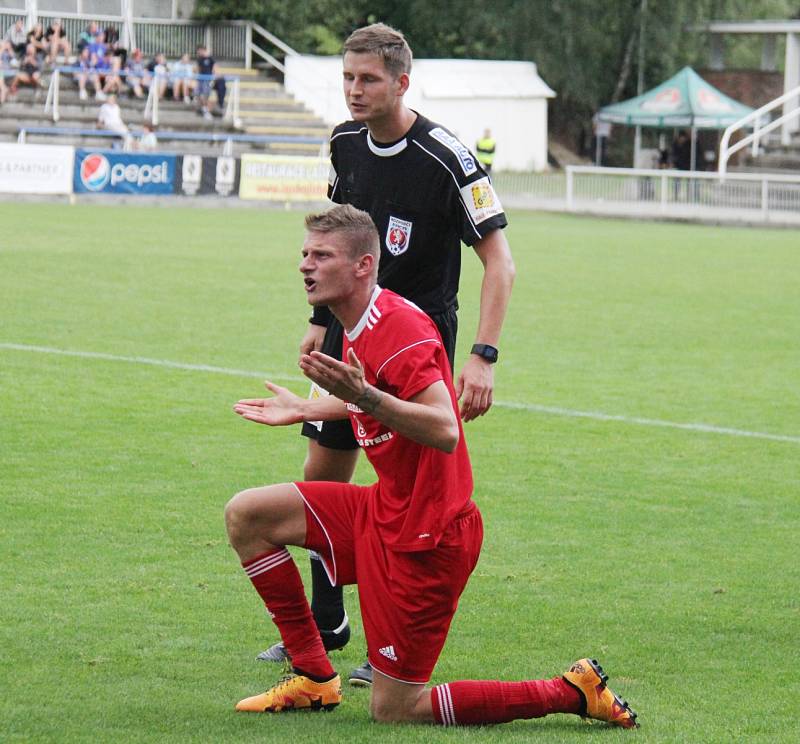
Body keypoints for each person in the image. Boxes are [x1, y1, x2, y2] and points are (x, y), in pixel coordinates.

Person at [227, 204, 638, 729]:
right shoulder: (358, 321)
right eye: (305, 254)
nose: (306, 265)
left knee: (395, 711)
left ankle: (571, 691)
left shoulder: (399, 327)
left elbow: (443, 428)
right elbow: (376, 395)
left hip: (429, 537)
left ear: (363, 265)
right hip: (385, 510)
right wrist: (310, 407)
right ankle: (313, 675)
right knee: (249, 516)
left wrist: (365, 397)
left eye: (321, 256)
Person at [257, 22, 515, 689]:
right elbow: (342, 233)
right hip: (350, 338)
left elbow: (500, 264)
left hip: (413, 350)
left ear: (402, 82)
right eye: (347, 78)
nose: (354, 90)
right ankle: (327, 622)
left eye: (369, 79)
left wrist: (482, 356)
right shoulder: (344, 141)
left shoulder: (447, 159)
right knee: (322, 477)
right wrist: (320, 320)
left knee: (406, 497)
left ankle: (387, 647)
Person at [195, 44, 225, 119]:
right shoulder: (199, 59)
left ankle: (206, 110)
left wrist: (214, 78)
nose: (198, 53)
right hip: (201, 80)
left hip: (208, 80)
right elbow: (198, 69)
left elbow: (215, 68)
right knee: (198, 94)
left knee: (206, 95)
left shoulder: (211, 58)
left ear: (203, 50)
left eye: (199, 51)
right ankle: (204, 109)